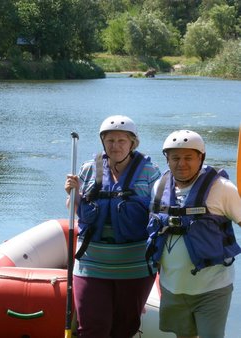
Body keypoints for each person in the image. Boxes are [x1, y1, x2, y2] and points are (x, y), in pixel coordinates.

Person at [64, 115, 161, 337]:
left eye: (121, 140)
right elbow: (74, 207)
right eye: (110, 141)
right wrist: (73, 193)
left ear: (132, 143)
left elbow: (160, 212)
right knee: (92, 328)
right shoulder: (89, 169)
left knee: (124, 329)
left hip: (134, 264)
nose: (115, 146)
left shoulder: (149, 171)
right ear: (102, 143)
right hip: (92, 261)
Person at [146, 130, 241, 338]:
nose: (181, 163)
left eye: (188, 157)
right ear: (167, 160)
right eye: (175, 158)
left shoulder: (222, 188)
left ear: (201, 158)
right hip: (173, 288)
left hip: (213, 288)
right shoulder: (158, 188)